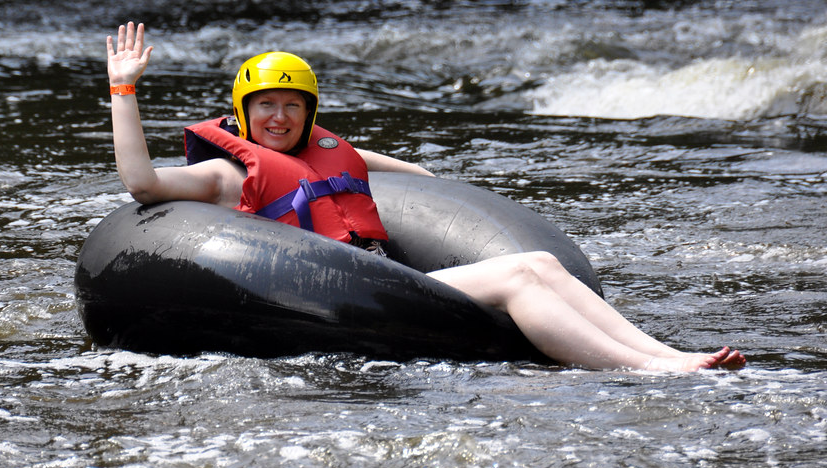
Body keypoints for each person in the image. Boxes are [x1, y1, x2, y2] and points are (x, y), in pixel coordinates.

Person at [105, 21, 746, 372]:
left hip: (387, 278)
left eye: (292, 107)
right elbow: (142, 183)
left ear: (310, 113)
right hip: (337, 294)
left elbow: (385, 170)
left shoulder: (323, 153)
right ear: (243, 114)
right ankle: (649, 371)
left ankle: (667, 354)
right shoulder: (227, 176)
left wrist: (427, 177)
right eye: (264, 107)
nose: (278, 119)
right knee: (524, 276)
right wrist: (124, 92)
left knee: (540, 263)